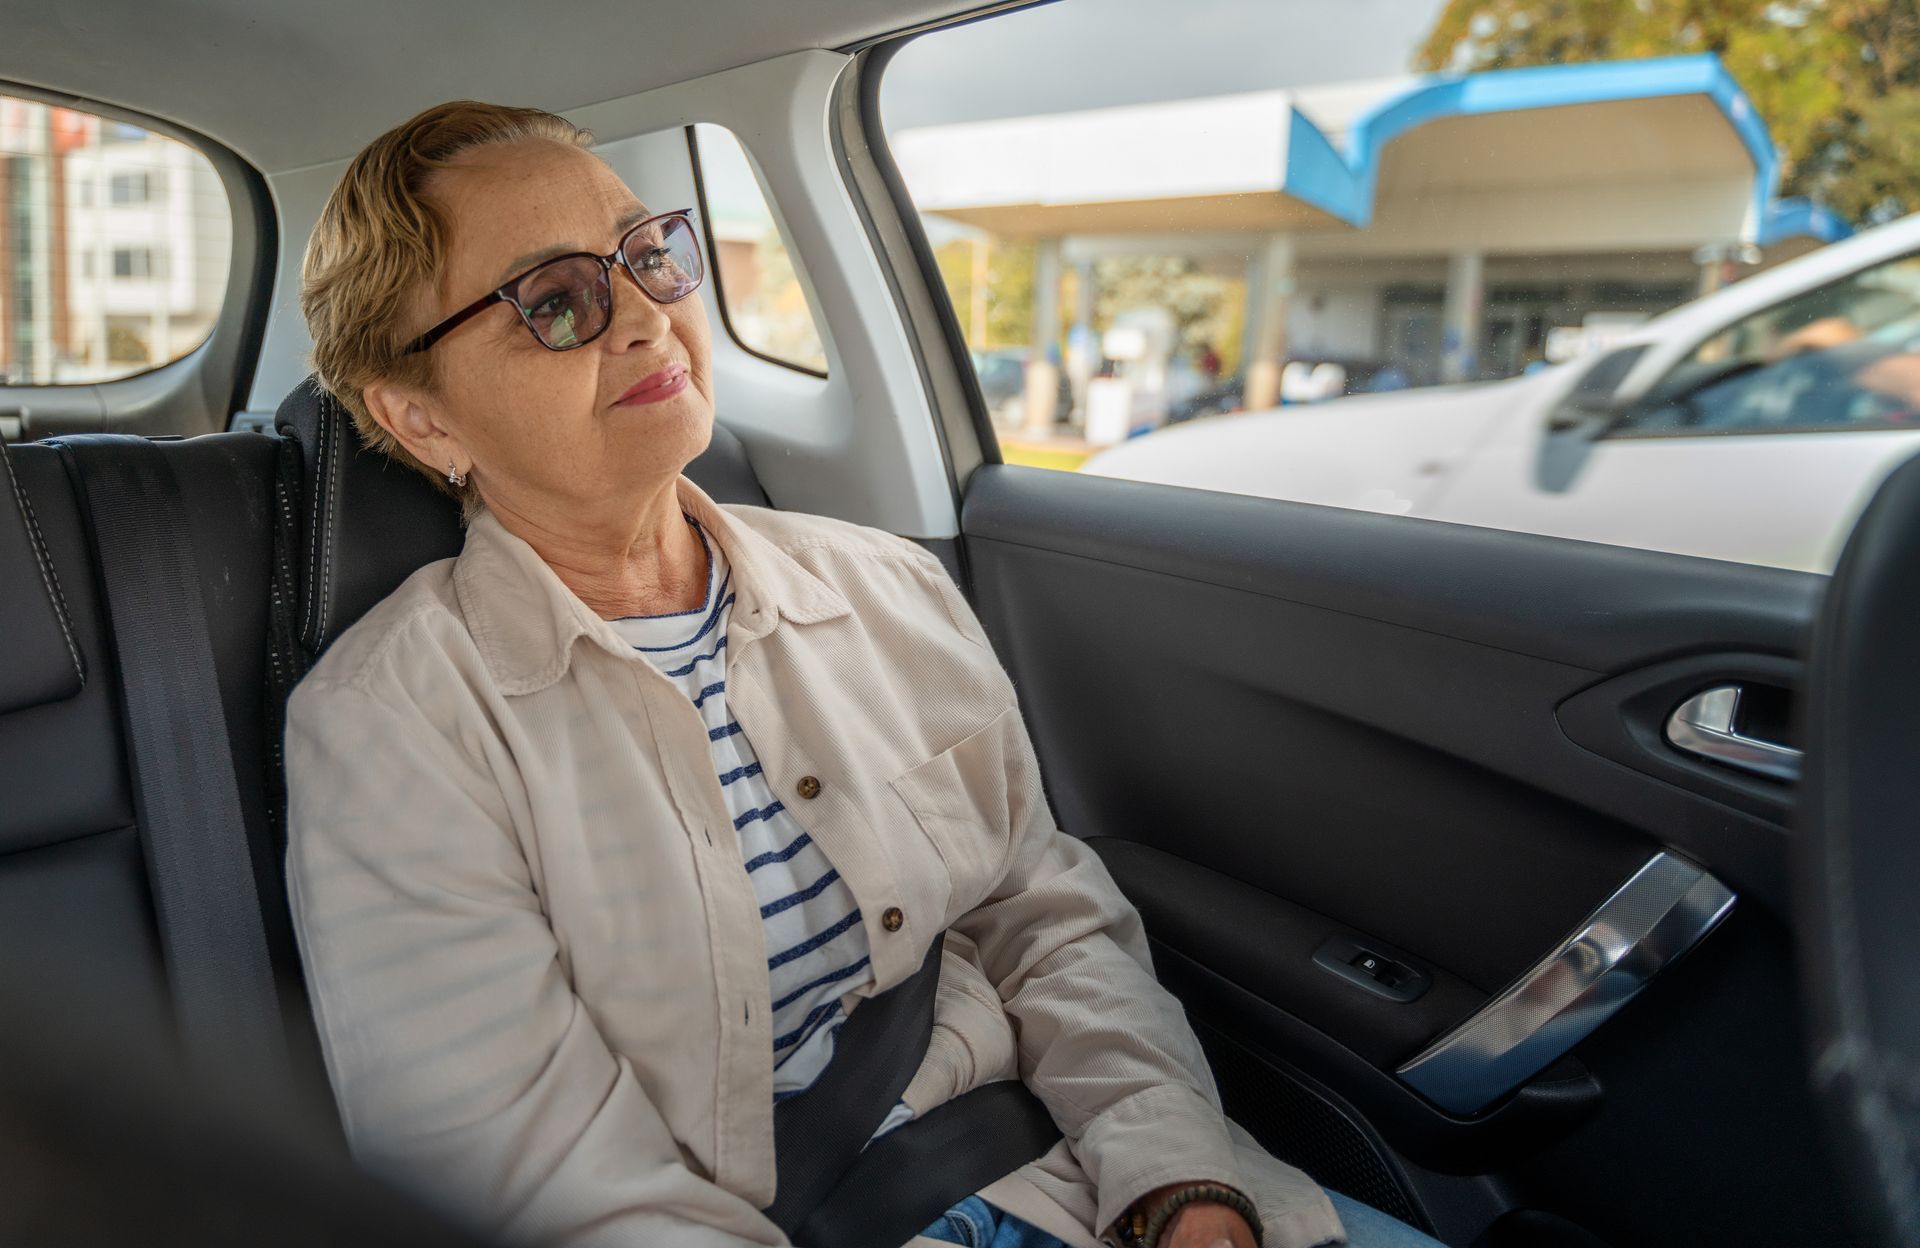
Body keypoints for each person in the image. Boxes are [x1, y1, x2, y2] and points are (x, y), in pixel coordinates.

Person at [285, 101, 1446, 1248]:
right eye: (556, 302)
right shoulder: (393, 726)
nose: (644, 315)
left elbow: (1044, 917)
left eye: (647, 255)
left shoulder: (883, 586)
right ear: (421, 419)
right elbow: (532, 1178)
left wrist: (1180, 1183)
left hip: (1065, 1175)